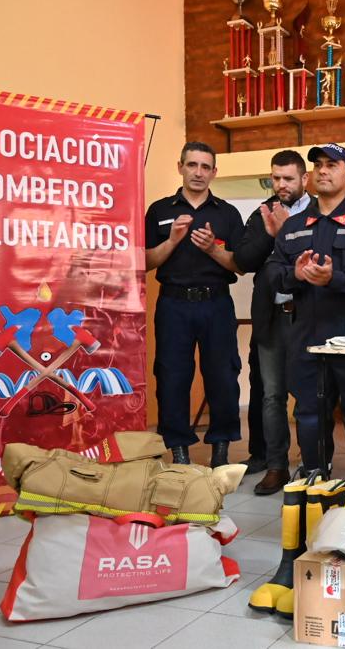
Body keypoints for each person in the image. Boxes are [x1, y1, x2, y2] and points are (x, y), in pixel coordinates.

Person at [264, 143, 345, 485]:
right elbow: (273, 272)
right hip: (305, 334)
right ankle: (318, 482)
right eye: (318, 164)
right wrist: (296, 275)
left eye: (332, 164)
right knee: (308, 412)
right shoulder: (293, 227)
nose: (322, 170)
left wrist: (336, 279)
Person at [145, 141, 245, 467]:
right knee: (172, 377)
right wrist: (172, 240)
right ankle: (179, 451)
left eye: (205, 167)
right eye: (192, 165)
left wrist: (214, 250)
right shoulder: (159, 211)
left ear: (214, 172)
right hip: (174, 305)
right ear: (180, 167)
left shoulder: (228, 214)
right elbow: (145, 261)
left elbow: (240, 265)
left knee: (223, 377)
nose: (198, 173)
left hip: (217, 304)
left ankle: (221, 450)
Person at [233, 149, 312, 494]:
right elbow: (245, 259)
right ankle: (276, 465)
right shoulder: (260, 212)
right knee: (271, 395)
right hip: (270, 317)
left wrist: (286, 232)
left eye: (288, 178)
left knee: (311, 396)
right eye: (276, 178)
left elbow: (317, 258)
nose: (281, 185)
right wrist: (270, 231)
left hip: (308, 317)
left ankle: (313, 464)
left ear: (304, 179)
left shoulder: (318, 213)